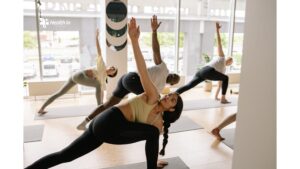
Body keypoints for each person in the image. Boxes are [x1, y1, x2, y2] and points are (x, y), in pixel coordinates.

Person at [25, 17, 183, 169]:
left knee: (64, 156)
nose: (169, 96)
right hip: (110, 122)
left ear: (171, 110)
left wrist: (153, 160)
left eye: (173, 100)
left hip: (104, 127)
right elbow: (142, 70)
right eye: (172, 94)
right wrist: (134, 41)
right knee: (152, 132)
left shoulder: (158, 124)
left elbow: (151, 144)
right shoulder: (154, 96)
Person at [77, 15, 180, 130]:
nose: (174, 76)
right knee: (148, 104)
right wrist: (154, 31)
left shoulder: (160, 89)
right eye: (175, 75)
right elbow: (156, 50)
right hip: (132, 79)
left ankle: (84, 122)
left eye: (175, 79)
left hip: (126, 80)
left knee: (109, 104)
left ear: (172, 84)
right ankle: (119, 123)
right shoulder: (163, 68)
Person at [37, 29, 118, 115]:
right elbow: (99, 51)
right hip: (79, 75)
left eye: (113, 70)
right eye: (112, 67)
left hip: (75, 77)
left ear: (112, 75)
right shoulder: (102, 66)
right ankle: (99, 108)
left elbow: (101, 92)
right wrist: (96, 38)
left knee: (60, 93)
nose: (111, 68)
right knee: (98, 85)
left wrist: (102, 99)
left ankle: (41, 109)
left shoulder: (103, 79)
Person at [175, 22, 233, 104]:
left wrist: (216, 96)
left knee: (189, 86)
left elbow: (220, 85)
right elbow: (219, 43)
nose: (229, 61)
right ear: (226, 58)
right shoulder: (222, 58)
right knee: (226, 78)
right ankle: (223, 99)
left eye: (231, 61)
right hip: (207, 71)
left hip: (202, 72)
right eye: (229, 59)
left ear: (230, 64)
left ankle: (173, 94)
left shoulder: (223, 70)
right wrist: (217, 30)